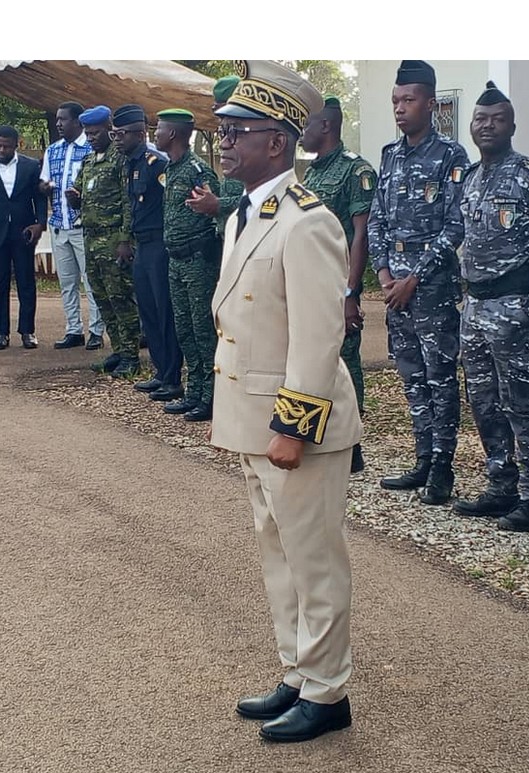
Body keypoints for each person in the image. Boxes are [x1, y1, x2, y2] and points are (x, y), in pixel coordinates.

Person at [211, 60, 361, 744]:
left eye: (236, 132)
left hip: (295, 427)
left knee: (314, 560)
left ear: (277, 142)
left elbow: (319, 337)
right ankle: (298, 671)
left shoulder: (308, 223)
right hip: (254, 421)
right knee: (279, 558)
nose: (223, 142)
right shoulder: (245, 216)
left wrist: (292, 429)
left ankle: (328, 693)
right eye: (221, 131)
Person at [452, 82, 529, 532]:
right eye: (480, 119)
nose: (487, 126)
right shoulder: (471, 178)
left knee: (522, 403)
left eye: (497, 119)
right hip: (475, 306)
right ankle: (501, 485)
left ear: (512, 126)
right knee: (483, 402)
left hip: (517, 306)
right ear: (471, 126)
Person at [368, 60, 469, 504]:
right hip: (396, 291)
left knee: (440, 378)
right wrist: (384, 274)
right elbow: (377, 220)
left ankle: (443, 467)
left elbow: (456, 225)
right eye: (395, 100)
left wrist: (415, 277)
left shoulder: (451, 156)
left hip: (431, 291)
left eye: (408, 100)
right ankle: (423, 458)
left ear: (431, 104)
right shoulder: (390, 155)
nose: (399, 108)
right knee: (412, 378)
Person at [301, 94, 377, 473]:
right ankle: (314, 435)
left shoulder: (355, 171)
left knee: (344, 363)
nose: (301, 132)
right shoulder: (312, 174)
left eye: (306, 124)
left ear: (326, 126)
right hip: (309, 284)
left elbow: (361, 236)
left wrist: (351, 292)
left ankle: (350, 445)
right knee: (310, 360)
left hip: (337, 285)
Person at [154, 108, 222, 421]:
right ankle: (194, 391)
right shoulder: (171, 168)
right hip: (176, 260)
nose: (155, 134)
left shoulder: (197, 171)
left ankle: (211, 397)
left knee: (202, 330)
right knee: (184, 330)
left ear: (173, 134)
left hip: (197, 261)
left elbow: (215, 213)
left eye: (159, 129)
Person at [113, 104, 184, 400]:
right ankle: (160, 371)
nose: (117, 139)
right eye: (115, 134)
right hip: (142, 245)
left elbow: (172, 205)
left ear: (140, 134)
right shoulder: (130, 164)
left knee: (163, 311)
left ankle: (172, 378)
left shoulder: (157, 164)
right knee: (148, 312)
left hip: (159, 245)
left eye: (122, 134)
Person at [76, 106, 142, 377]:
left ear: (109, 130)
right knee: (102, 298)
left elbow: (128, 202)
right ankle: (118, 350)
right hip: (91, 239)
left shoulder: (120, 160)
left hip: (114, 239)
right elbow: (79, 191)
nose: (90, 138)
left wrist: (125, 239)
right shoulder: (89, 161)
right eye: (87, 134)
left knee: (121, 298)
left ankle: (131, 357)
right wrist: (73, 197)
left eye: (95, 133)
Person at [0, 125, 47, 350]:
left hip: (24, 232)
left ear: (17, 145)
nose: (1, 150)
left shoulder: (31, 166)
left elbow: (40, 197)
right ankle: (1, 333)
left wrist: (40, 223)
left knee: (26, 282)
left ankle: (27, 331)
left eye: (6, 146)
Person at [39, 102, 105, 351]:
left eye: (63, 119)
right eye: (57, 119)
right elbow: (43, 181)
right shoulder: (53, 150)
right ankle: (73, 330)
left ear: (78, 122)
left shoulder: (92, 147)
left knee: (91, 282)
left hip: (83, 227)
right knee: (67, 284)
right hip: (59, 225)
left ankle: (96, 331)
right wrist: (45, 187)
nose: (58, 124)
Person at [184, 75, 245, 232]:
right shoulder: (226, 136)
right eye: (215, 110)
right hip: (227, 233)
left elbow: (262, 199)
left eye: (222, 109)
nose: (218, 116)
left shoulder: (251, 141)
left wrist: (218, 204)